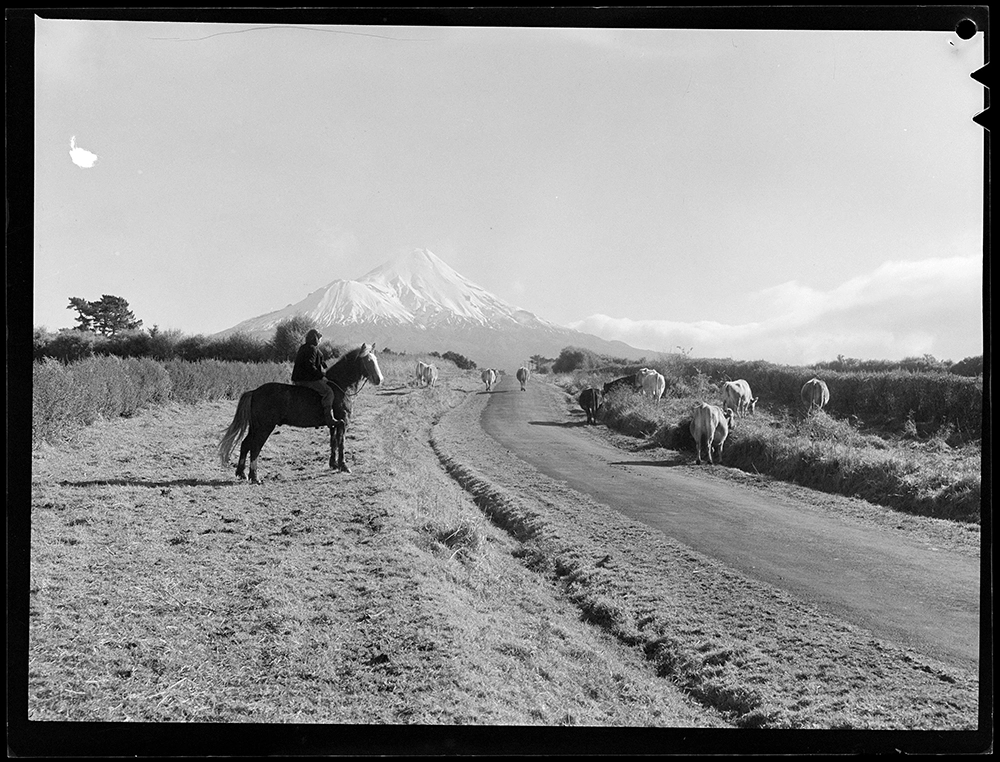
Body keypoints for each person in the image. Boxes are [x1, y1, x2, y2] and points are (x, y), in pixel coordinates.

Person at [292, 329, 336, 428]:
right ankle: (328, 418)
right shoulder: (312, 349)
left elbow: (320, 361)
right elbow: (310, 366)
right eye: (319, 338)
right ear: (315, 338)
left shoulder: (305, 347)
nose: (320, 340)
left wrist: (326, 369)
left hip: (299, 378)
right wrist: (321, 376)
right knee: (328, 392)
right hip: (306, 379)